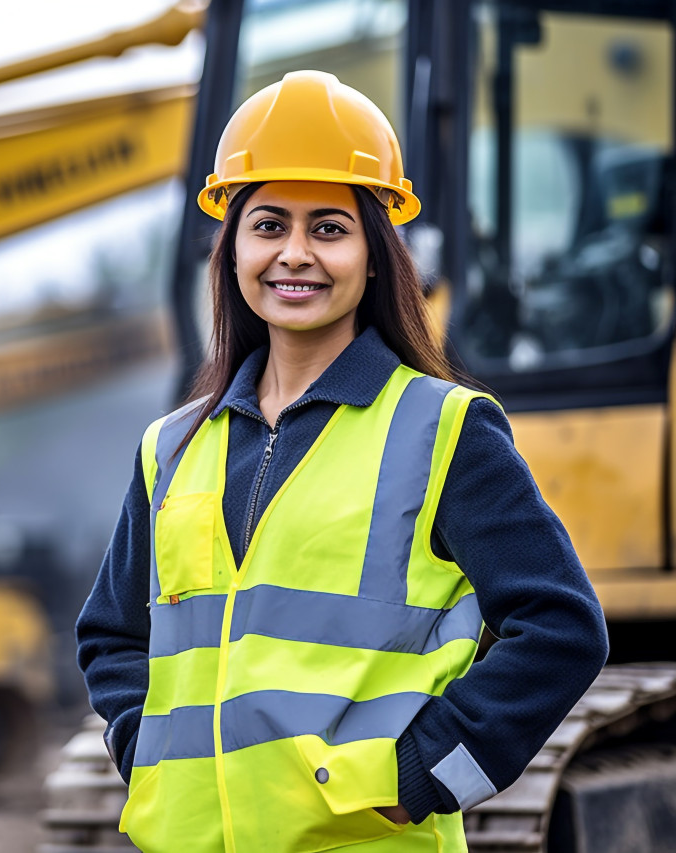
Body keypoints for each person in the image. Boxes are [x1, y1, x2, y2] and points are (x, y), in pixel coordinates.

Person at [76, 70, 608, 852]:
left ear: (372, 253)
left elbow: (563, 627)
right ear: (231, 251)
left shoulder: (442, 429)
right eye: (268, 226)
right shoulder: (172, 447)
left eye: (328, 227)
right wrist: (145, 750)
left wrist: (423, 771)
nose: (294, 253)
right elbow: (111, 637)